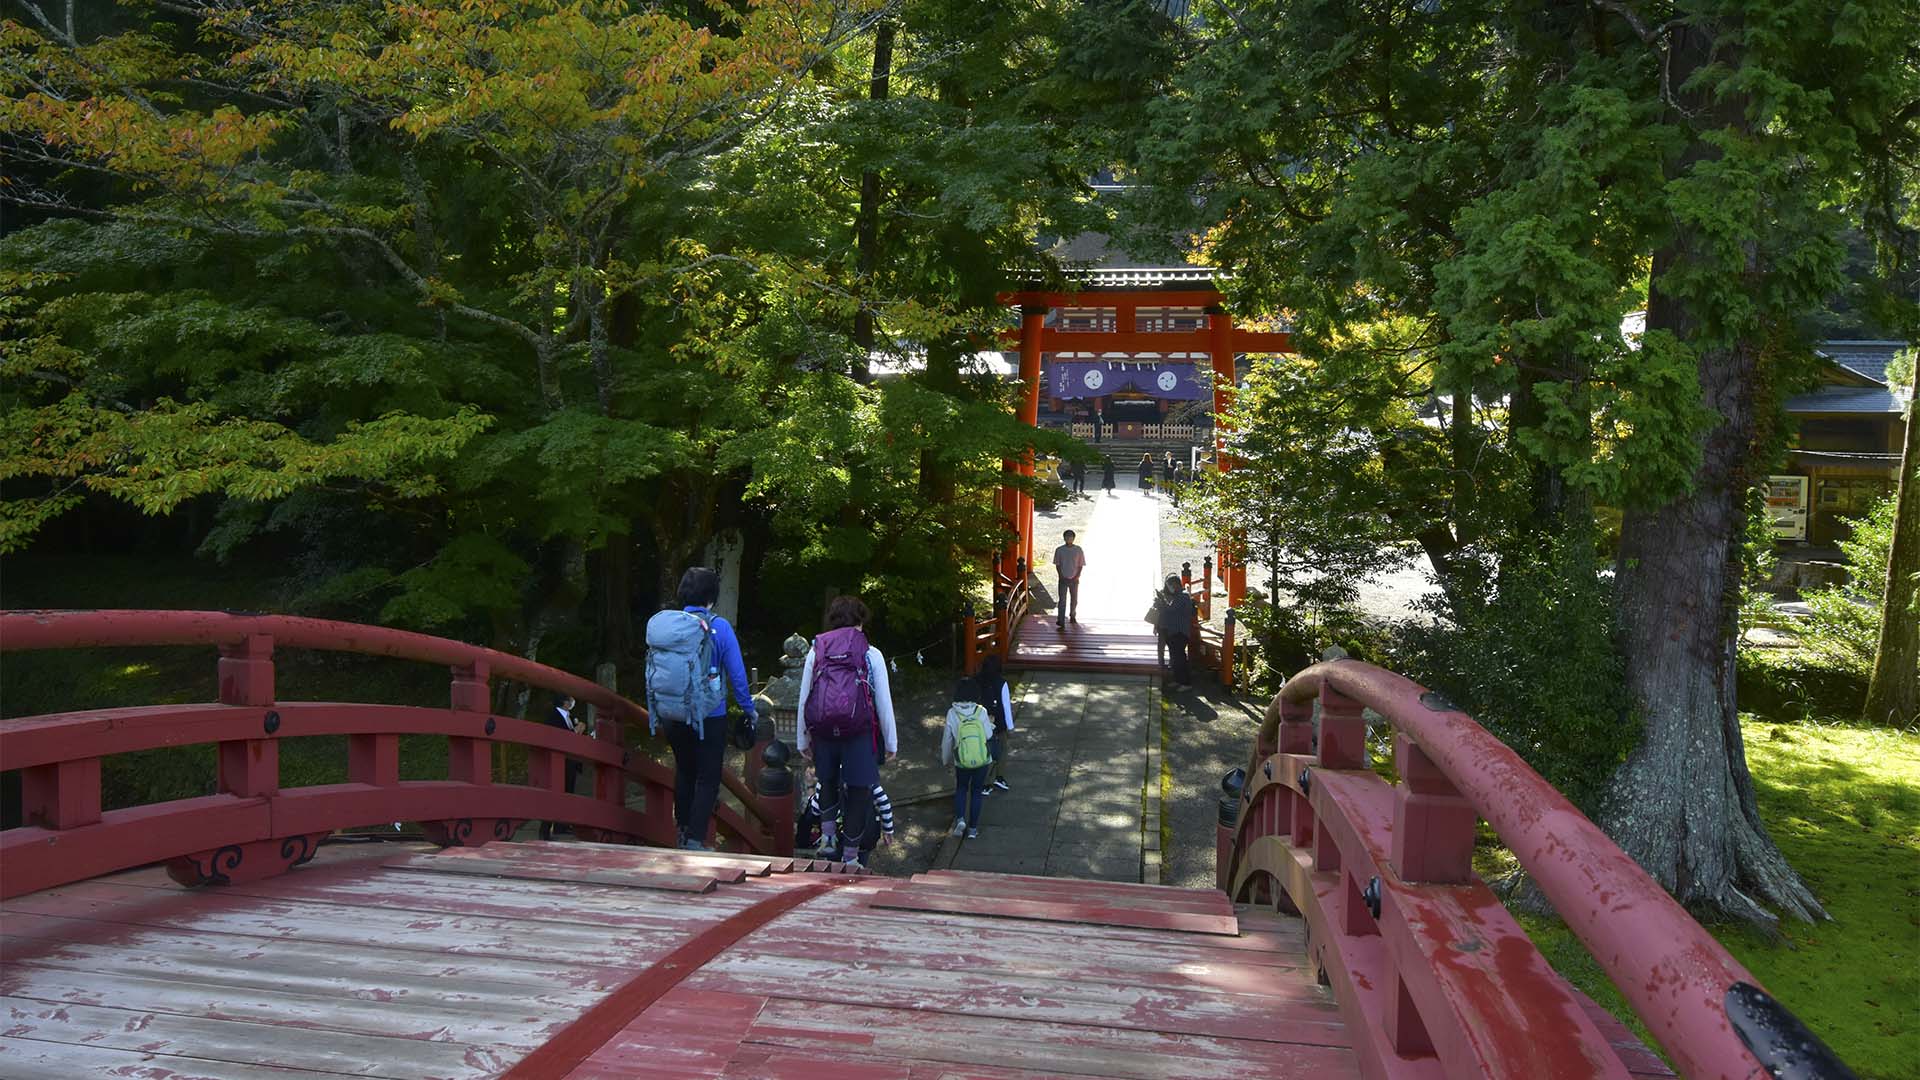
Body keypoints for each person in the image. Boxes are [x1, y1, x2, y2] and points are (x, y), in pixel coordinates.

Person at [795, 595, 898, 869]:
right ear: (860, 622)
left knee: (826, 780)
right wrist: (891, 742)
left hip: (824, 729)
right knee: (859, 791)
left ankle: (827, 838)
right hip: (860, 731)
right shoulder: (870, 652)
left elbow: (805, 697)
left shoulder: (817, 649)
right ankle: (851, 855)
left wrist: (801, 738)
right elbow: (883, 702)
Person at [663, 567, 757, 851]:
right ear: (712, 596)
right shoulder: (720, 627)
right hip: (709, 714)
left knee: (684, 772)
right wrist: (748, 709)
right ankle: (695, 839)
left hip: (672, 713)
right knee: (707, 777)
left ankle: (681, 832)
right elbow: (738, 676)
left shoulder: (670, 625)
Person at [796, 771, 896, 863]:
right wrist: (888, 830)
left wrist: (811, 791)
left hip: (837, 838)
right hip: (864, 836)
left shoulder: (826, 779)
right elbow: (884, 803)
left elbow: (816, 810)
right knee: (860, 866)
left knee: (834, 868)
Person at [941, 676, 996, 839]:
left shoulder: (952, 713)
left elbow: (947, 739)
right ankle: (972, 829)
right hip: (982, 759)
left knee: (961, 789)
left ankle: (960, 820)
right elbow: (988, 734)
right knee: (977, 791)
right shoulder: (981, 711)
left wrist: (946, 759)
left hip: (962, 760)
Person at [538, 693, 586, 841]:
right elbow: (560, 738)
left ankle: (562, 825)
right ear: (565, 702)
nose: (572, 702)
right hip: (558, 762)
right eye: (570, 700)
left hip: (570, 761)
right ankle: (545, 830)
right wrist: (577, 730)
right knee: (554, 795)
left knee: (568, 793)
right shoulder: (553, 718)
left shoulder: (570, 717)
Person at [976, 653, 1015, 794]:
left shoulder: (977, 680)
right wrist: (1010, 727)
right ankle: (999, 777)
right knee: (1002, 750)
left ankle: (984, 783)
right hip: (998, 723)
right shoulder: (1001, 683)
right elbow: (1006, 707)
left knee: (985, 753)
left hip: (980, 722)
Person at [1154, 574, 1197, 686]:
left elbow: (1170, 609)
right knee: (1175, 658)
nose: (1170, 588)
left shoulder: (1183, 596)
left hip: (1180, 632)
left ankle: (1185, 683)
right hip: (1174, 631)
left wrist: (1161, 601)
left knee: (1180, 658)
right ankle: (1178, 680)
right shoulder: (1179, 596)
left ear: (1177, 584)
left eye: (1171, 585)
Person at [1053, 529, 1086, 630]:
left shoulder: (1078, 550)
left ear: (1074, 538)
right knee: (1062, 600)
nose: (1069, 539)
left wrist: (1077, 576)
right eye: (1067, 537)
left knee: (1074, 599)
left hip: (1074, 578)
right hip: (1063, 578)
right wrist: (1061, 575)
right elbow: (1057, 564)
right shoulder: (1059, 550)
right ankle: (1061, 620)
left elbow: (1081, 565)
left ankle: (1072, 615)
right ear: (1064, 538)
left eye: (1070, 537)